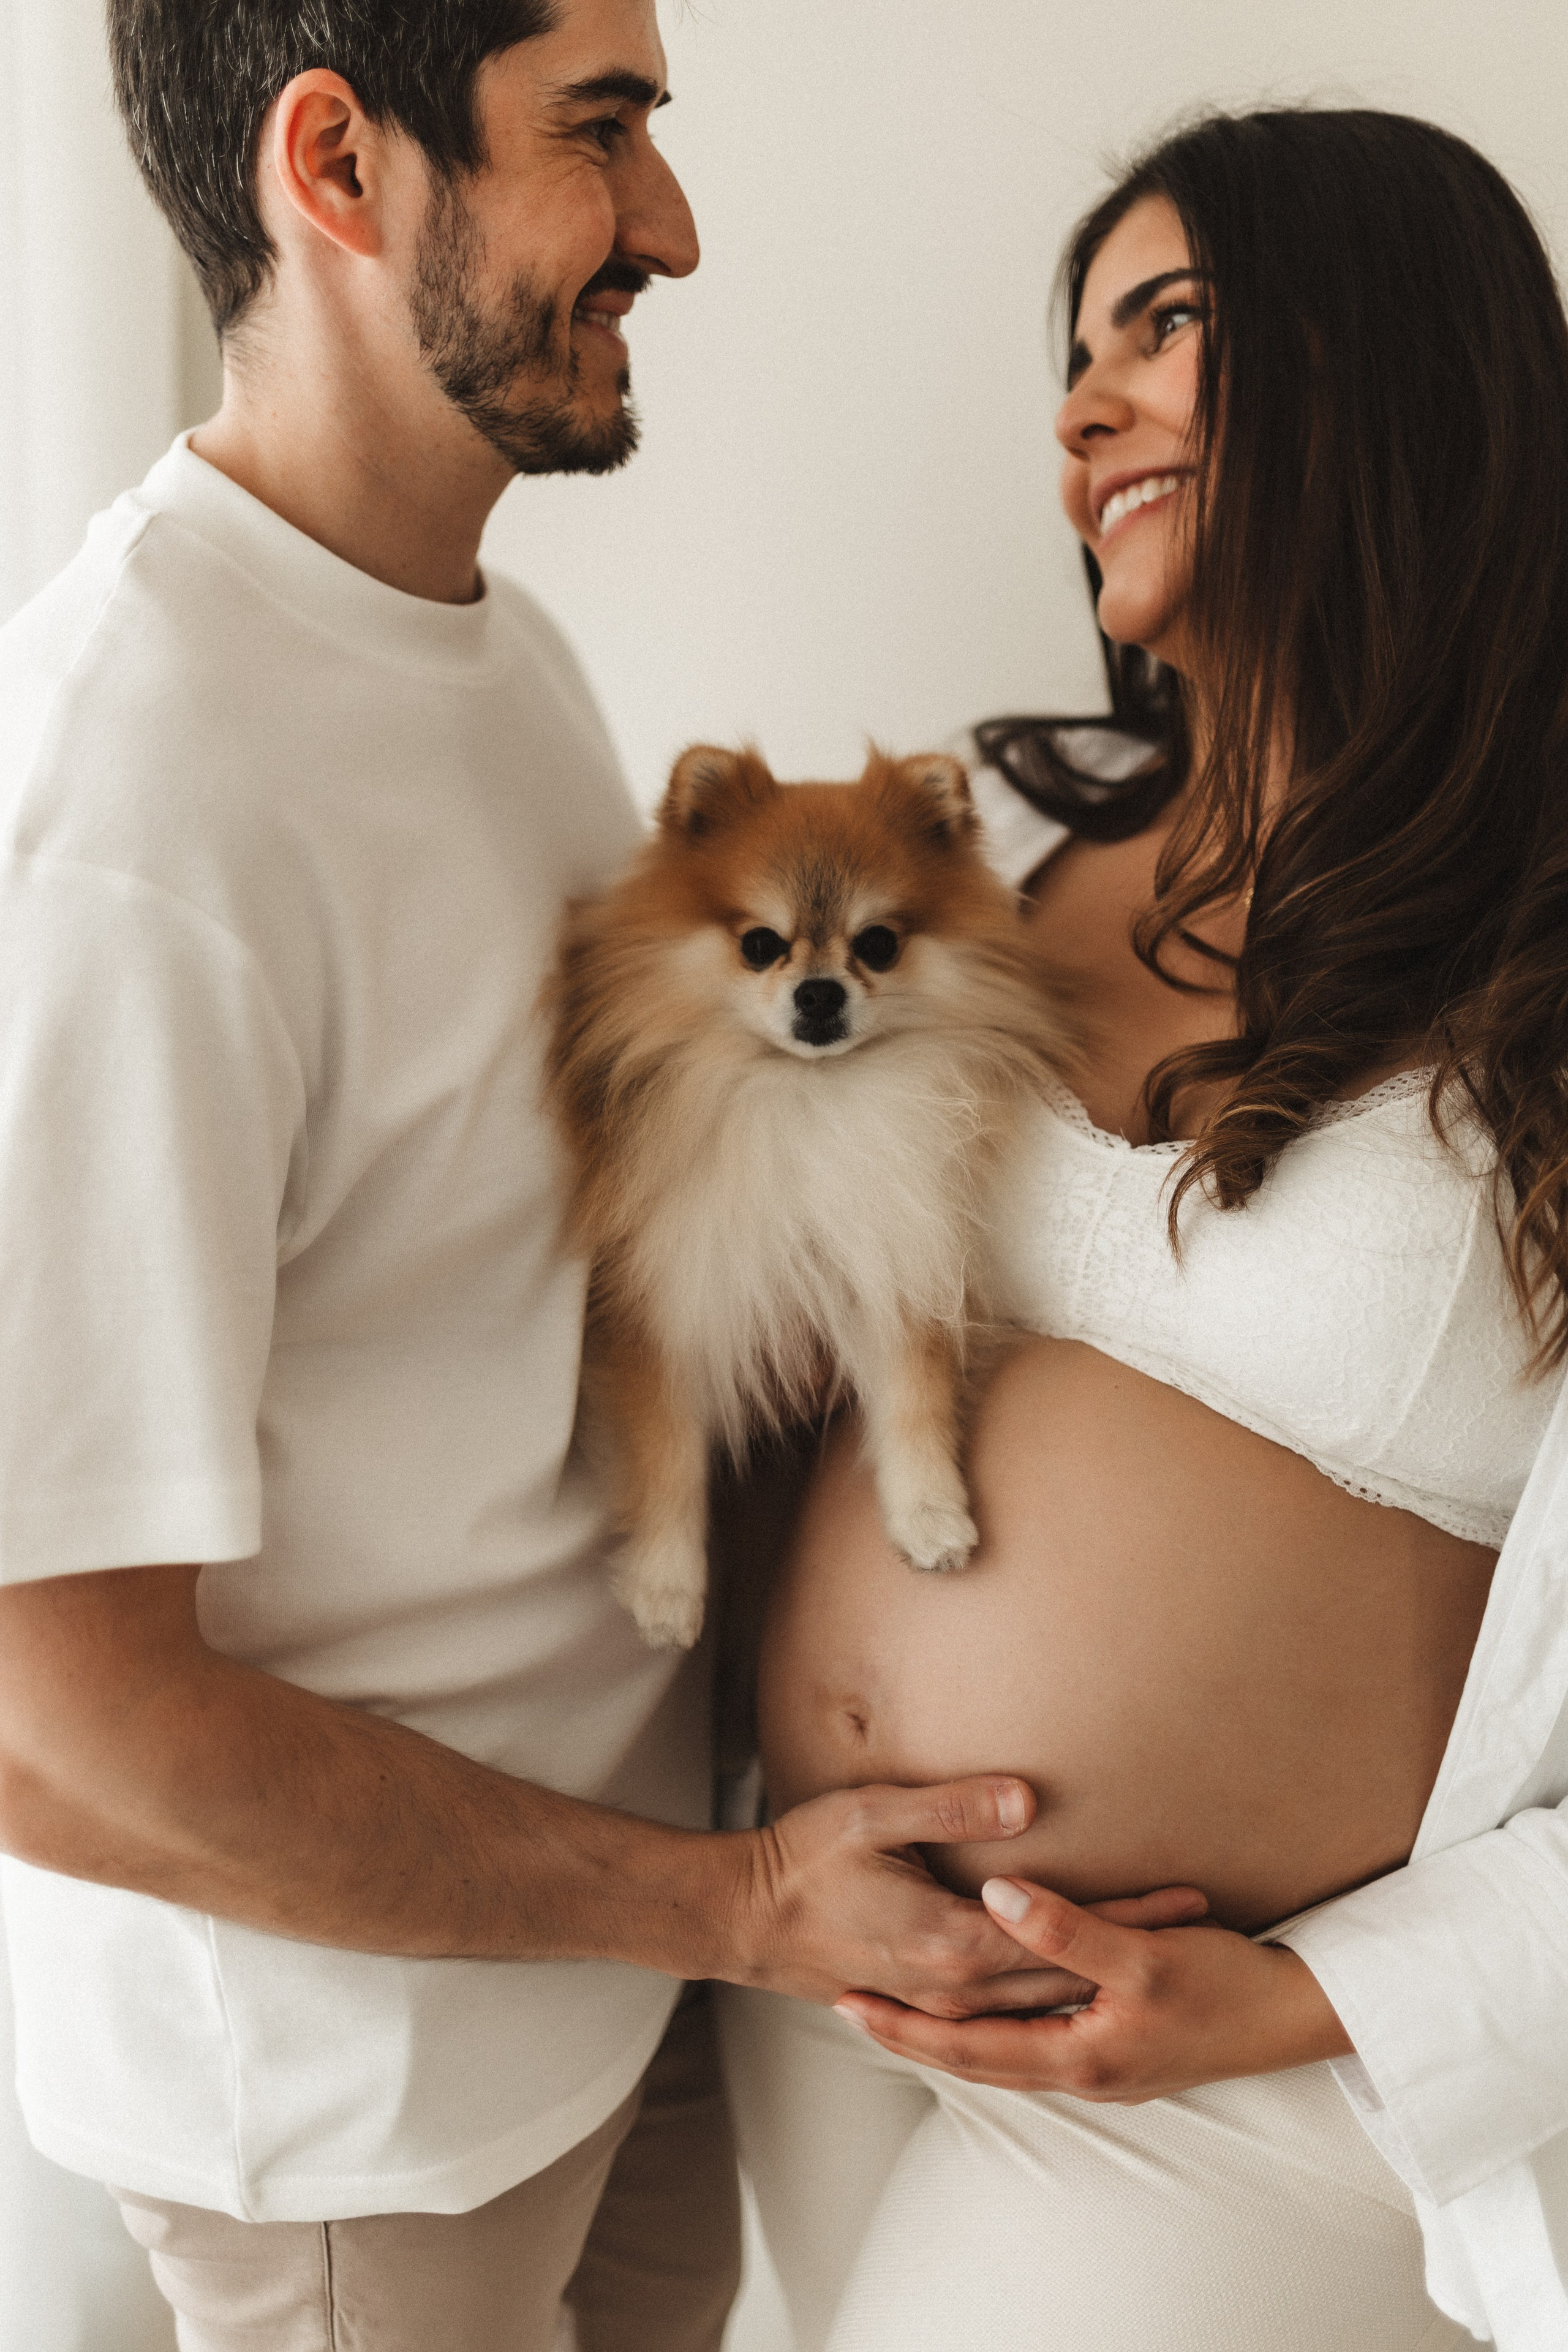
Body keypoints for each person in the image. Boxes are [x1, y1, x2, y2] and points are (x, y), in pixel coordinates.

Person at [0, 4, 1158, 2345]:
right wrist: (729, 1906)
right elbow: (51, 1714)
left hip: (620, 1980)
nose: (677, 228)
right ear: (341, 166)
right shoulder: (131, 808)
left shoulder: (489, 652)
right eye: (600, 134)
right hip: (376, 2111)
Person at [718, 108, 1568, 2351]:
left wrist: (1313, 2002)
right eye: (1076, 358)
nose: (1084, 415)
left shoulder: (1546, 940)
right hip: (806, 1959)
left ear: (1390, 357)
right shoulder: (987, 868)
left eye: (1165, 329)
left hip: (1226, 2079)